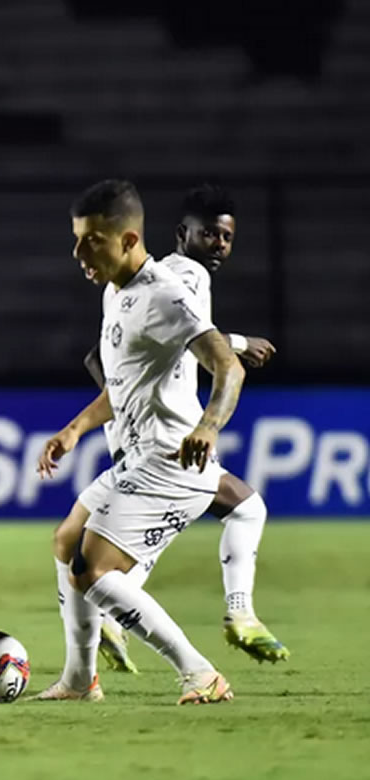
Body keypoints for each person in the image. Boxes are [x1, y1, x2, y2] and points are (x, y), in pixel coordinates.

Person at [35, 179, 244, 705]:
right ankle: (80, 681)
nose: (79, 252)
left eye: (92, 241)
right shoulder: (115, 292)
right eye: (77, 239)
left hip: (174, 463)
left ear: (129, 240)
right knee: (67, 543)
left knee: (93, 570)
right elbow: (123, 386)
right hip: (139, 459)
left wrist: (208, 426)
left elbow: (229, 366)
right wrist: (76, 429)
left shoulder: (164, 296)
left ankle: (199, 674)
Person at [76, 185, 288, 674]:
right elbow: (200, 347)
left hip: (138, 444)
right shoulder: (183, 274)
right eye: (209, 233)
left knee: (128, 542)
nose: (218, 244)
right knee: (247, 508)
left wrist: (122, 414)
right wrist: (236, 343)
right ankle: (235, 620)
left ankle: (99, 640)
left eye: (226, 237)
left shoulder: (130, 286)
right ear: (181, 235)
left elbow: (102, 355)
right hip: (167, 443)